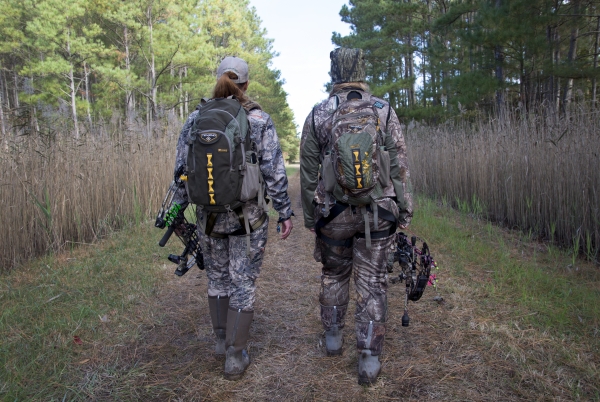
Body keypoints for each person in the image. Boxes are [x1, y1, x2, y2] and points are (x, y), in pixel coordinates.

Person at [171, 56, 294, 380]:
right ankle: (236, 356)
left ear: (218, 81)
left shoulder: (197, 118)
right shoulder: (258, 119)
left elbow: (181, 171)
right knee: (243, 282)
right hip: (247, 217)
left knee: (218, 279)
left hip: (208, 217)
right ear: (246, 84)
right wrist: (284, 211)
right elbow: (273, 170)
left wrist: (179, 208)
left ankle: (221, 340)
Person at [299, 48, 412, 385]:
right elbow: (399, 165)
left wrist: (310, 216)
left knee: (334, 273)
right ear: (362, 71)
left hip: (332, 214)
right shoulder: (383, 110)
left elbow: (307, 170)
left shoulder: (320, 113)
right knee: (373, 280)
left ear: (334, 73)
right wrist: (404, 209)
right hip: (378, 212)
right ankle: (368, 357)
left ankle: (333, 336)